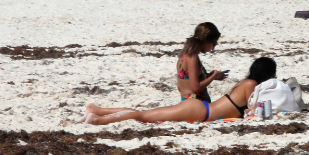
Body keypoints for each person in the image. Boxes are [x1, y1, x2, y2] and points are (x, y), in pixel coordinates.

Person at [82, 57, 274, 125]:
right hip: (200, 111)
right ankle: (98, 120)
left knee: (145, 114)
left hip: (200, 108)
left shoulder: (246, 82)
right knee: (142, 115)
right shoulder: (250, 85)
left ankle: (97, 111)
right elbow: (255, 112)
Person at [176, 22, 226, 102]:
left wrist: (209, 76)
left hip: (187, 102)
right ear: (206, 41)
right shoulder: (192, 56)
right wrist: (213, 76)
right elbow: (195, 88)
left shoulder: (183, 56)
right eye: (214, 43)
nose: (212, 48)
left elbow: (180, 86)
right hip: (195, 104)